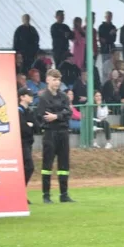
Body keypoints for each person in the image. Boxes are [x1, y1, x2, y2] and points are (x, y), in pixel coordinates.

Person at [35, 69, 75, 203]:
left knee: (64, 165)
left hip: (63, 133)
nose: (57, 82)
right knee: (47, 165)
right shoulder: (43, 97)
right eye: (54, 79)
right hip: (50, 133)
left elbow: (68, 113)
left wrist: (56, 116)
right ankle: (46, 195)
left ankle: (64, 194)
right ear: (47, 80)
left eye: (58, 80)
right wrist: (59, 115)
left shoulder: (64, 96)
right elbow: (43, 116)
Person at [17, 87, 36, 201]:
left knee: (26, 167)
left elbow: (36, 126)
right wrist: (29, 126)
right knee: (29, 167)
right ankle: (20, 191)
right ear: (22, 97)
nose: (31, 97)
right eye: (29, 95)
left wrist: (30, 125)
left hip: (28, 142)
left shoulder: (29, 110)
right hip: (21, 143)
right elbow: (23, 128)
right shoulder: (19, 111)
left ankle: (21, 192)